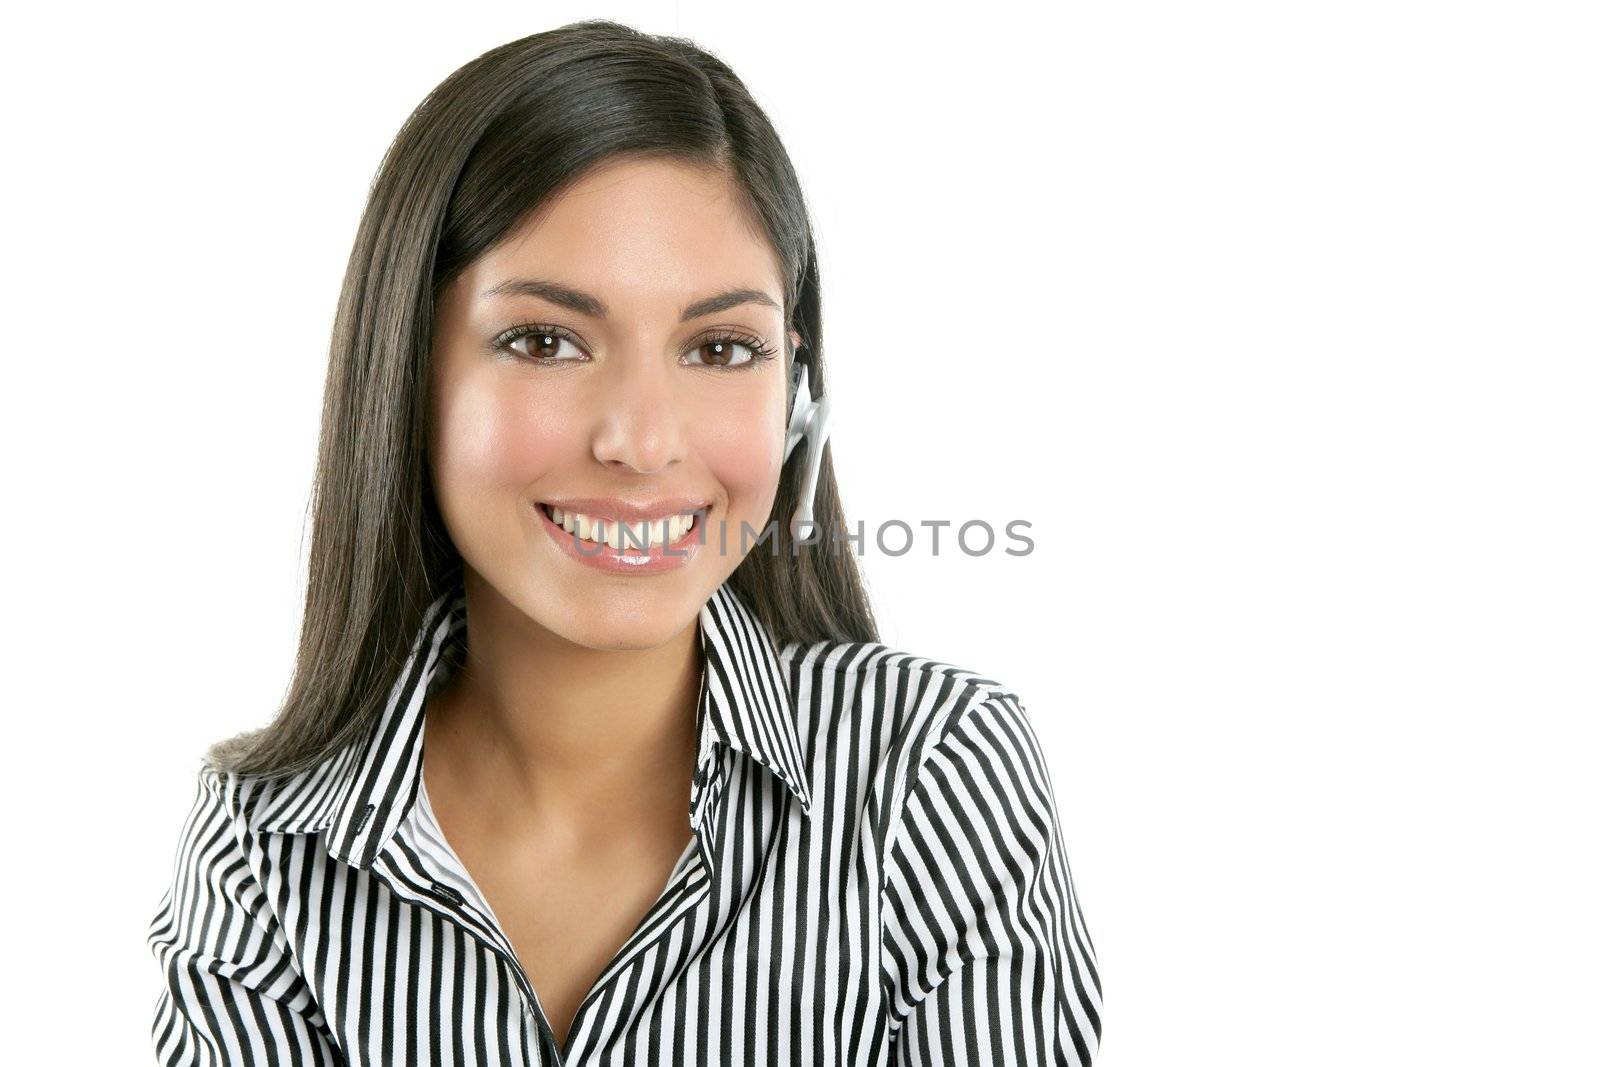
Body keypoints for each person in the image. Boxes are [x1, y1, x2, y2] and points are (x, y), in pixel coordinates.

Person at [147, 18, 1101, 1066]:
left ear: (798, 401)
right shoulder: (266, 845)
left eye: (721, 347)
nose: (642, 441)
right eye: (544, 341)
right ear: (408, 376)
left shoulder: (930, 772)